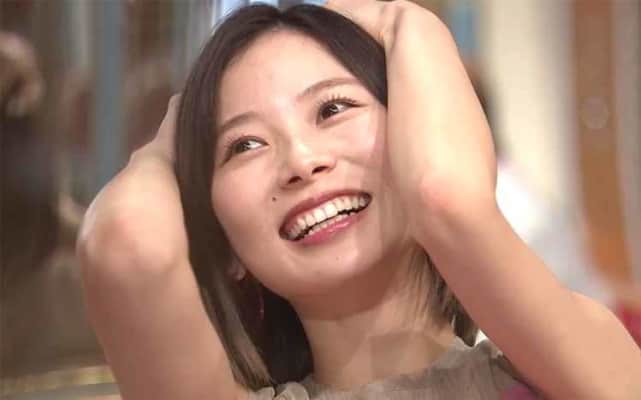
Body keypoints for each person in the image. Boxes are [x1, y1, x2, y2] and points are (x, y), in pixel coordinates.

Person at [76, 1, 641, 399]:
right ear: (226, 247)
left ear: (414, 139)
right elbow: (125, 245)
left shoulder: (570, 363)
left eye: (333, 109)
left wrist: (405, 20)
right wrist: (174, 131)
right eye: (244, 145)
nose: (301, 161)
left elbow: (447, 198)